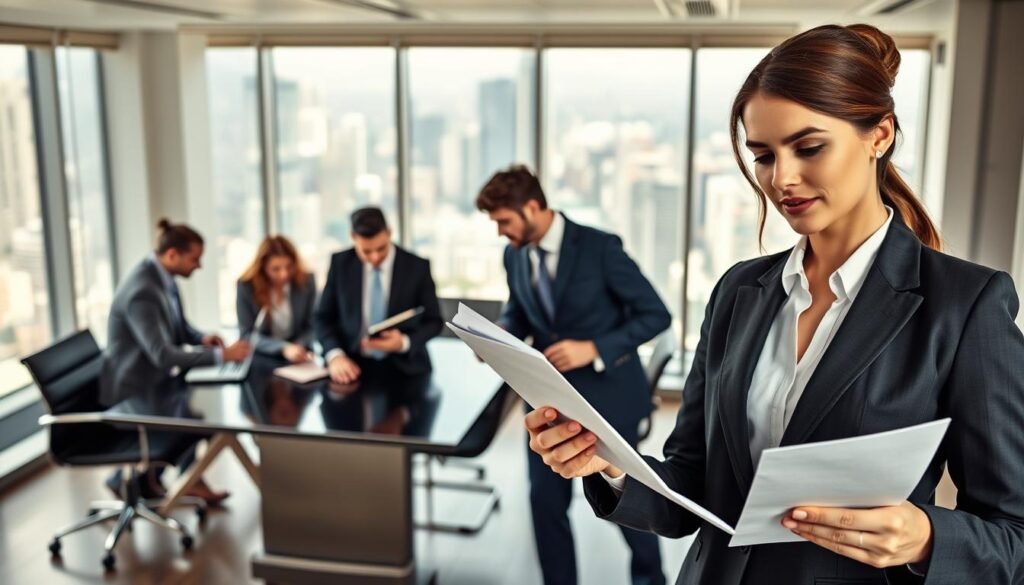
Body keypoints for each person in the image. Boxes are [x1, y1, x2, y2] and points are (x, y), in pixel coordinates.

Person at [525, 23, 1024, 585]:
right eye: (763, 155)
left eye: (809, 147)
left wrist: (926, 538)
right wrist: (609, 465)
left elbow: (1013, 537)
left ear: (879, 134)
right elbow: (690, 485)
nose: (781, 179)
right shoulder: (739, 292)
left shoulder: (965, 305)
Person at [476, 165, 671, 585]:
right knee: (545, 505)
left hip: (610, 398)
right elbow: (518, 310)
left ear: (531, 207)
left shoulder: (600, 248)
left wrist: (593, 348)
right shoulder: (514, 253)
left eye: (504, 222)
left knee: (628, 504)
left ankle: (652, 580)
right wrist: (499, 338)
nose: (500, 233)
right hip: (547, 402)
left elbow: (656, 315)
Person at [100, 218, 249, 504]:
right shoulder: (143, 290)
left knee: (196, 412)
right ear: (172, 255)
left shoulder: (162, 278)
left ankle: (157, 479)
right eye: (195, 259)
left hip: (154, 380)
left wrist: (202, 339)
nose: (199, 266)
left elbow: (178, 326)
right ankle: (182, 481)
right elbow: (162, 354)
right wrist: (221, 356)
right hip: (134, 390)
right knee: (197, 421)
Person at [314, 206, 443, 385]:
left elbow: (434, 321)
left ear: (389, 233)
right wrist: (335, 355)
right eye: (366, 251)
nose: (375, 257)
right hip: (351, 367)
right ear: (353, 237)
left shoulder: (417, 267)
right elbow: (323, 318)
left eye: (381, 248)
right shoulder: (340, 264)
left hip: (407, 370)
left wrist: (404, 342)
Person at [237, 235, 317, 363]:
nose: (284, 274)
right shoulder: (246, 286)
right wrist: (283, 348)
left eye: (289, 266)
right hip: (263, 357)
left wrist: (299, 345)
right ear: (263, 268)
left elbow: (313, 325)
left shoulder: (306, 281)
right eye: (276, 269)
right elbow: (246, 335)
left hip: (300, 355)